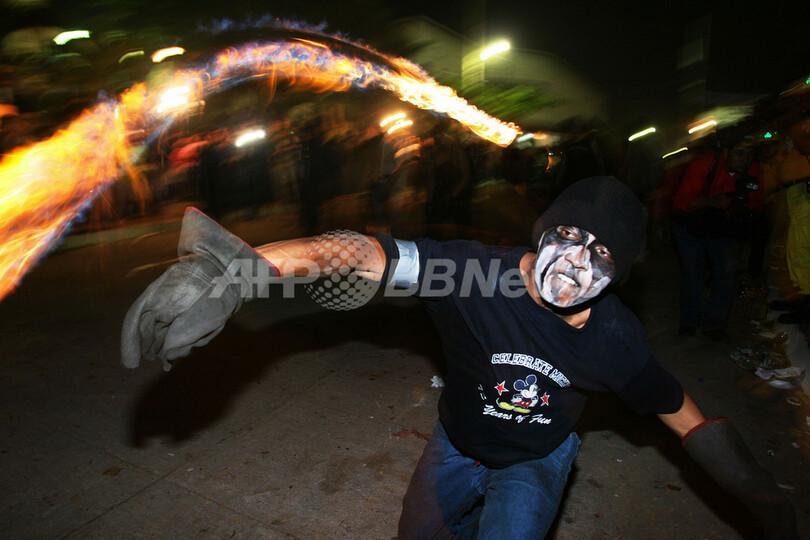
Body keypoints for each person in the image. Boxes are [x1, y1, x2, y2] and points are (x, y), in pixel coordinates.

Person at [121, 176, 796, 539]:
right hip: (458, 441)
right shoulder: (475, 274)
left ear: (619, 273)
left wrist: (751, 487)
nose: (575, 261)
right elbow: (370, 255)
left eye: (601, 253)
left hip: (537, 457)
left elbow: (676, 408)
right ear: (541, 233)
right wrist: (243, 269)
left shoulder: (614, 339)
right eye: (566, 235)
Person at [671, 137, 764, 340]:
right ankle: (690, 321)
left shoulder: (753, 172)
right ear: (726, 153)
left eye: (750, 154)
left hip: (723, 226)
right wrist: (713, 203)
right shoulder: (703, 165)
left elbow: (757, 205)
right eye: (740, 153)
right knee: (692, 273)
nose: (746, 159)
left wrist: (739, 208)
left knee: (725, 273)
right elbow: (682, 202)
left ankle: (715, 325)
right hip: (690, 224)